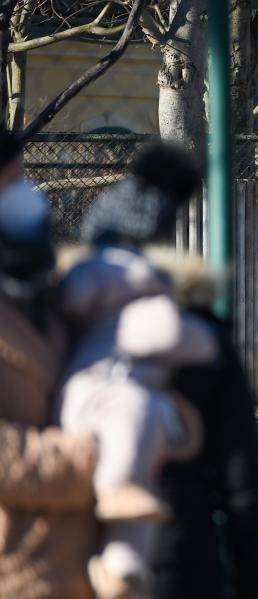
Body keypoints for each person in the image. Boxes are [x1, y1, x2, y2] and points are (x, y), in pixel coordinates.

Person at [56, 166, 220, 597]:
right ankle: (118, 495)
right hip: (175, 544)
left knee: (138, 515)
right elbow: (241, 479)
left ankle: (121, 569)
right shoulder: (166, 312)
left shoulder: (50, 318)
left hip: (62, 541)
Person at [0, 130, 98, 599]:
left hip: (72, 570)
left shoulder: (47, 295)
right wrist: (97, 458)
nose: (27, 195)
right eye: (11, 181)